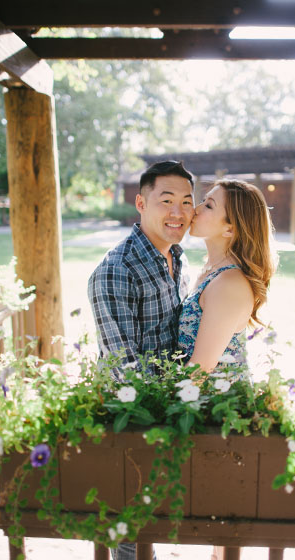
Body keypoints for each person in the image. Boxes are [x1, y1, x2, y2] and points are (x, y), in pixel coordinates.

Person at [88, 160, 194, 560]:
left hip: (171, 417)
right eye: (166, 200)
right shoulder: (116, 270)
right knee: (133, 537)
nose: (178, 212)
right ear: (140, 203)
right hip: (137, 424)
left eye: (186, 201)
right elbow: (123, 371)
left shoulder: (175, 258)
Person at [178, 179, 276, 378]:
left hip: (217, 404)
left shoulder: (229, 284)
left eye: (208, 205)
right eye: (203, 200)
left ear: (230, 229)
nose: (195, 209)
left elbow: (200, 368)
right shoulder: (211, 270)